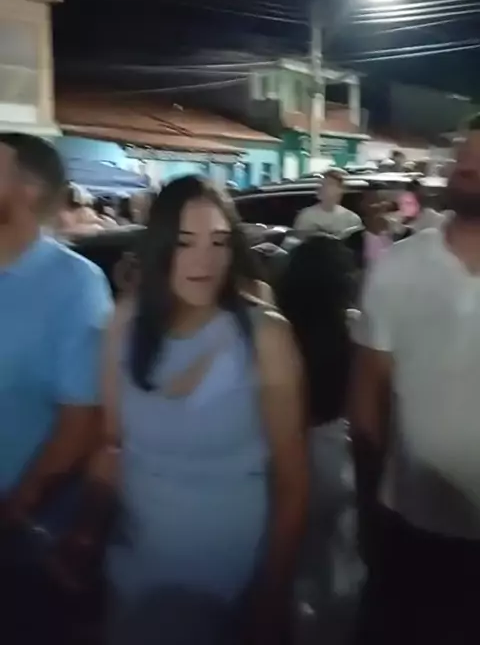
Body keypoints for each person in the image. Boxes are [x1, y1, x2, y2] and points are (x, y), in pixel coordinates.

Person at [58, 175, 307, 645]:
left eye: (219, 242)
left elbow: (292, 481)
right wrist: (86, 530)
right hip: (135, 581)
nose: (204, 260)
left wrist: (271, 597)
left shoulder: (265, 335)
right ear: (160, 247)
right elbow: (111, 446)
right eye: (185, 242)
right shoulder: (126, 324)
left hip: (235, 587)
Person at [349, 112, 480, 643]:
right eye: (465, 153)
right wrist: (366, 512)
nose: (469, 162)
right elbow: (367, 402)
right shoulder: (398, 268)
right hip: (411, 534)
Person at [0, 133, 113, 643]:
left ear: (28, 190)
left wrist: (16, 508)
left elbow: (82, 421)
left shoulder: (75, 284)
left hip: (26, 540)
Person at [275, 235, 361, 638]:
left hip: (283, 452)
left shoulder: (275, 331)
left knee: (292, 563)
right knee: (339, 567)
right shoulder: (354, 328)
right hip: (336, 452)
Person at [293, 169, 362, 239]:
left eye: (330, 184)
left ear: (340, 190)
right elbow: (298, 242)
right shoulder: (306, 216)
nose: (324, 188)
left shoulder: (352, 219)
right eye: (323, 185)